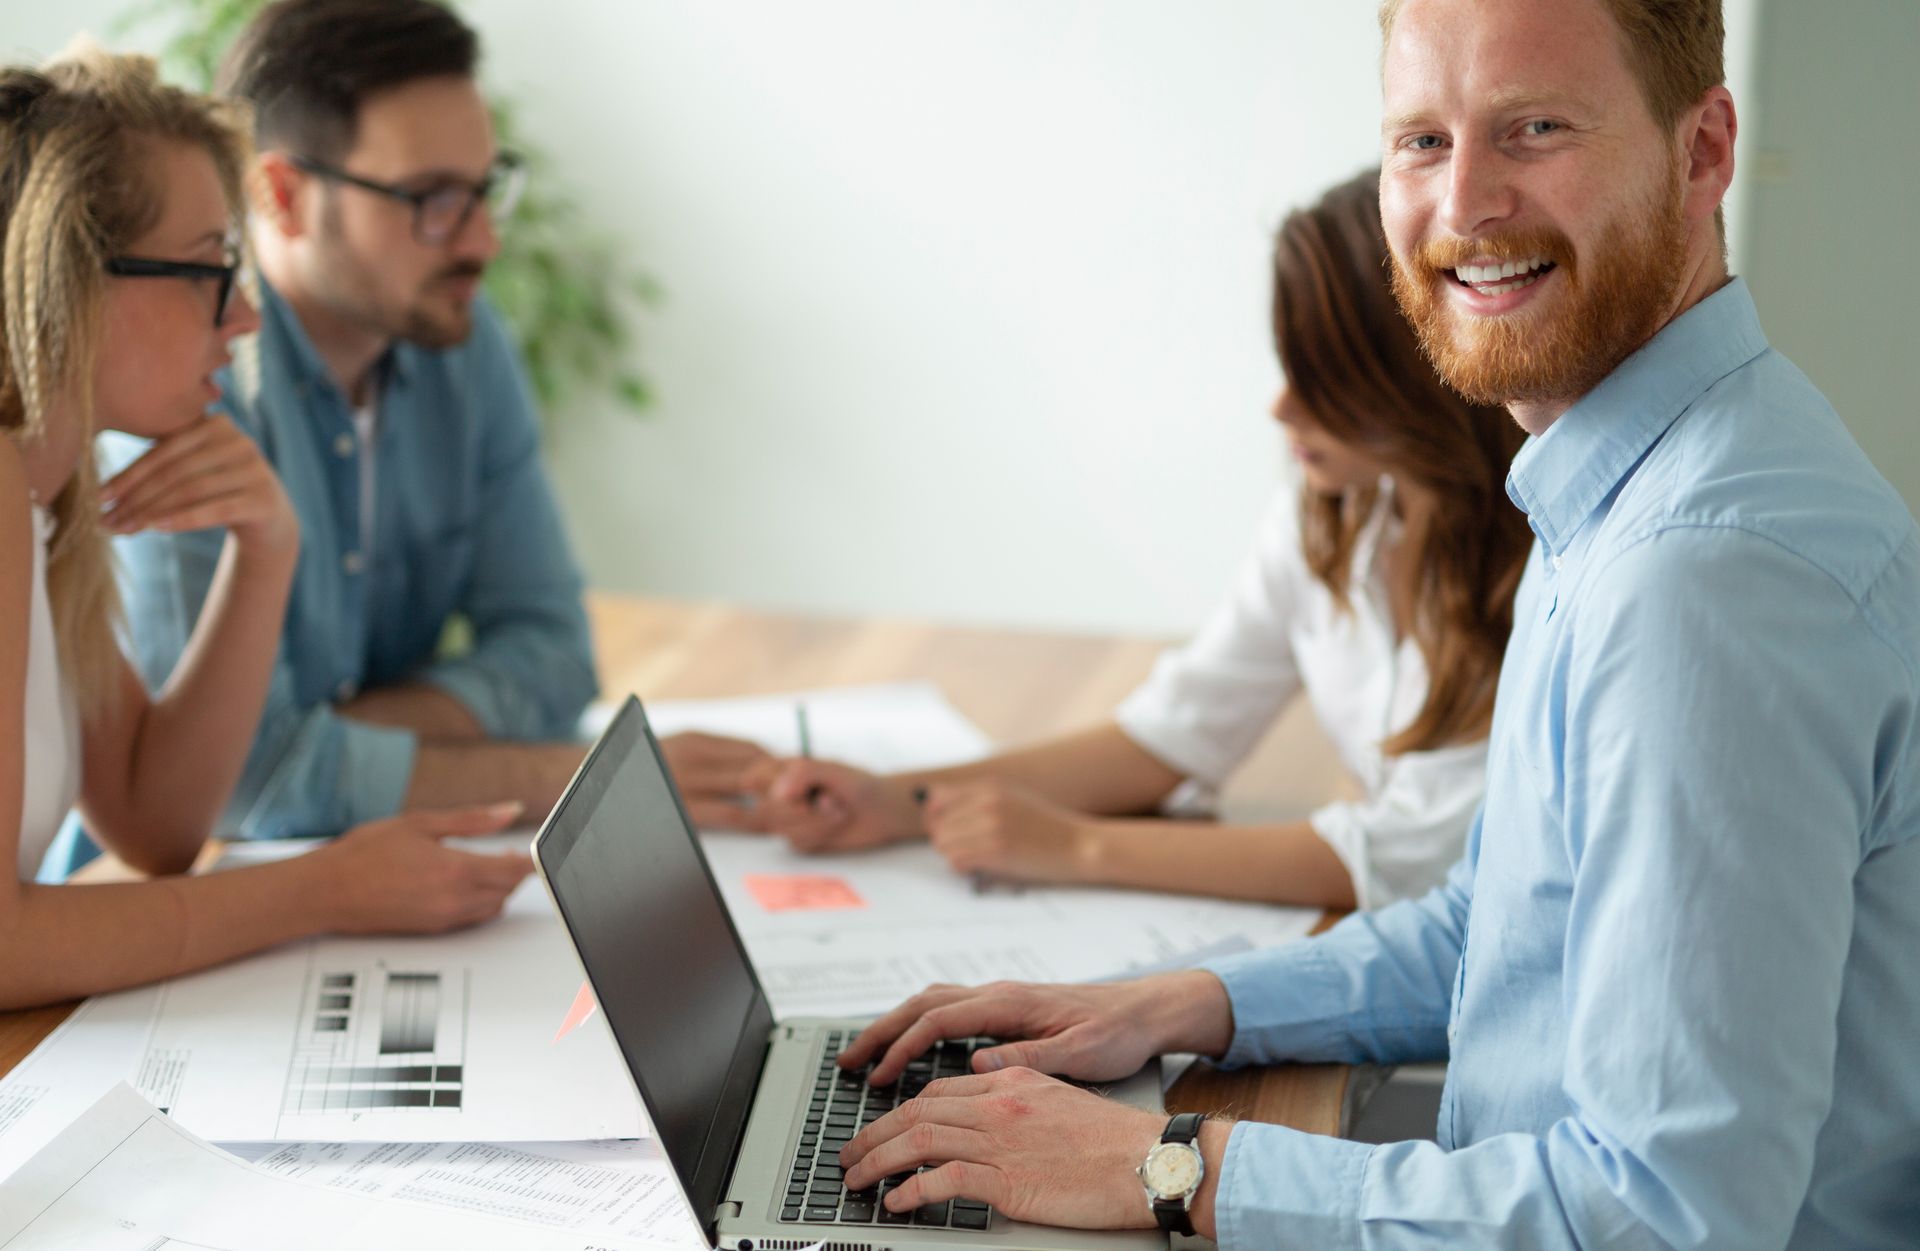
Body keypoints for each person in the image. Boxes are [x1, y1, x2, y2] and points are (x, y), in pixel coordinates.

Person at [819, 0, 1920, 1245]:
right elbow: (1506, 929)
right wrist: (1174, 1003)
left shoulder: (1700, 584)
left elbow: (1663, 1218)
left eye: (1536, 128)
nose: (1464, 208)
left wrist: (1170, 1168)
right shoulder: (1635, 482)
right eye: (1422, 142)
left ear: (1702, 149)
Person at [744, 171, 1530, 911]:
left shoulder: (1541, 570)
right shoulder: (1331, 512)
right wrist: (898, 801)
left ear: (1422, 378)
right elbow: (1172, 730)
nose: (1282, 408)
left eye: (1326, 382)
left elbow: (1406, 858)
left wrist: (1080, 848)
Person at [103, 0, 766, 843]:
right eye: (432, 199)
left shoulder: (463, 340)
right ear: (282, 194)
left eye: (484, 189)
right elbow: (240, 790)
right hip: (157, 907)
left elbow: (554, 652)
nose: (482, 240)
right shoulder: (180, 390)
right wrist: (570, 777)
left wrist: (348, 736)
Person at [0, 44, 533, 1012]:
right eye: (210, 269)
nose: (244, 318)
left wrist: (267, 549)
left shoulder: (47, 496)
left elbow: (154, 826)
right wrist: (324, 889)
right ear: (73, 282)